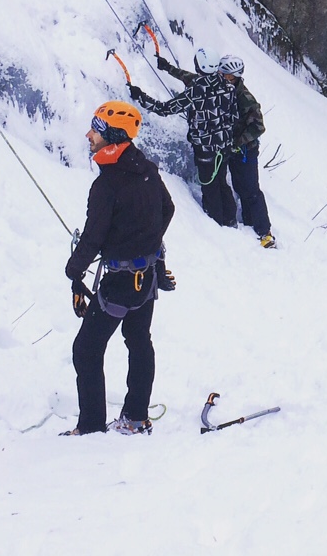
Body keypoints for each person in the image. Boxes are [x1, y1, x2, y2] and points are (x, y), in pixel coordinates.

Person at [63, 100, 176, 436]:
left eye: (95, 130)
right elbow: (167, 209)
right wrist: (144, 243)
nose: (88, 135)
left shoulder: (106, 185)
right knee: (138, 339)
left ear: (112, 135)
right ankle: (136, 416)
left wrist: (74, 272)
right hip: (148, 277)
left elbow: (93, 239)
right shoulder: (147, 169)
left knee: (86, 349)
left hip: (120, 284)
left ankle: (91, 426)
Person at [134, 49, 275, 247]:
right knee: (224, 184)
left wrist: (141, 97)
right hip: (225, 146)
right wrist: (168, 68)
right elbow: (195, 80)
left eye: (228, 75)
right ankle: (234, 222)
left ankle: (251, 230)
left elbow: (168, 108)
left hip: (235, 149)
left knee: (236, 188)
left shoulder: (240, 96)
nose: (224, 76)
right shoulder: (226, 87)